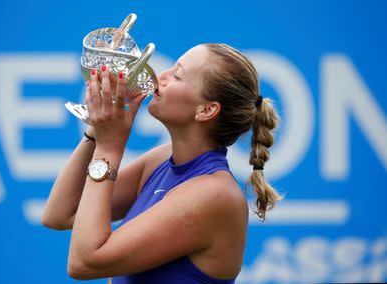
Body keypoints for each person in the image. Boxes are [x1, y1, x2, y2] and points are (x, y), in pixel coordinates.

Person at [41, 43, 282, 283]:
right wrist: (97, 128)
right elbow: (60, 214)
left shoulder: (216, 195)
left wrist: (108, 149)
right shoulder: (159, 160)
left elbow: (83, 262)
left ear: (207, 110)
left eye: (177, 75)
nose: (161, 76)